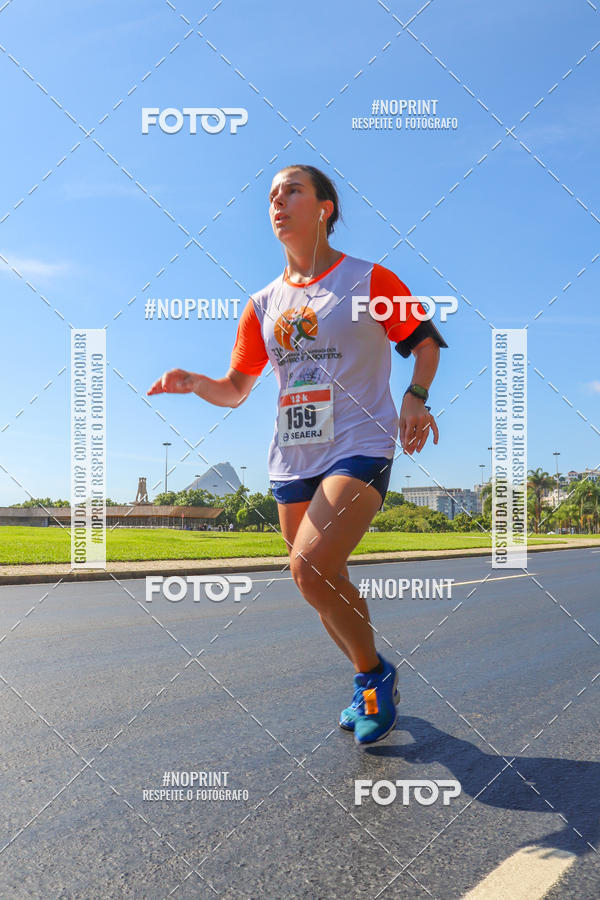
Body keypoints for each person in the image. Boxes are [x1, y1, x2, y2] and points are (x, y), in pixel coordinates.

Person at [147, 164, 447, 745]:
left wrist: (415, 396)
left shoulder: (368, 280)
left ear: (325, 208)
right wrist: (193, 382)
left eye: (293, 192)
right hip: (293, 457)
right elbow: (236, 388)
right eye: (272, 197)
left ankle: (373, 678)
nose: (279, 202)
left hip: (359, 446)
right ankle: (369, 677)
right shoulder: (262, 303)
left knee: (309, 566)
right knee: (317, 579)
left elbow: (425, 344)